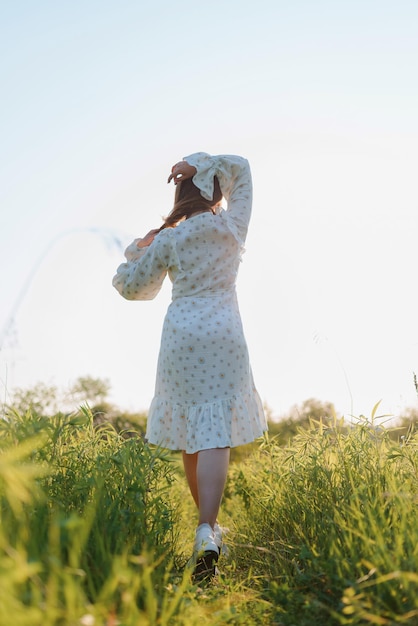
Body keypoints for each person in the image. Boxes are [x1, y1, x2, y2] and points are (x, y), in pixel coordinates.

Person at [112, 152, 267, 581]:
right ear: (216, 189)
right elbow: (242, 167)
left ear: (180, 192)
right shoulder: (231, 227)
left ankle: (208, 531)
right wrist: (194, 161)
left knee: (191, 434)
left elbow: (133, 287)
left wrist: (136, 248)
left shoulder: (169, 239)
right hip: (224, 336)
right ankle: (208, 529)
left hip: (181, 339)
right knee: (216, 432)